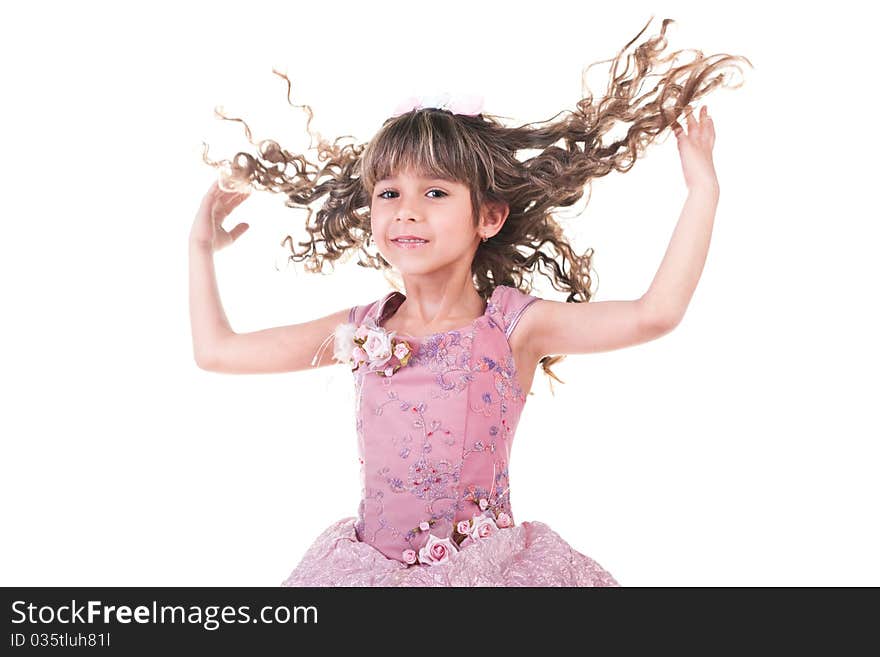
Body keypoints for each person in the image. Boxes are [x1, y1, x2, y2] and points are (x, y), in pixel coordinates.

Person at [189, 17, 751, 586]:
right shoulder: (361, 327)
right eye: (390, 193)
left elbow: (654, 313)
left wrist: (704, 190)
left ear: (488, 216)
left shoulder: (513, 327)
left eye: (435, 192)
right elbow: (216, 352)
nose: (407, 210)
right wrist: (199, 247)